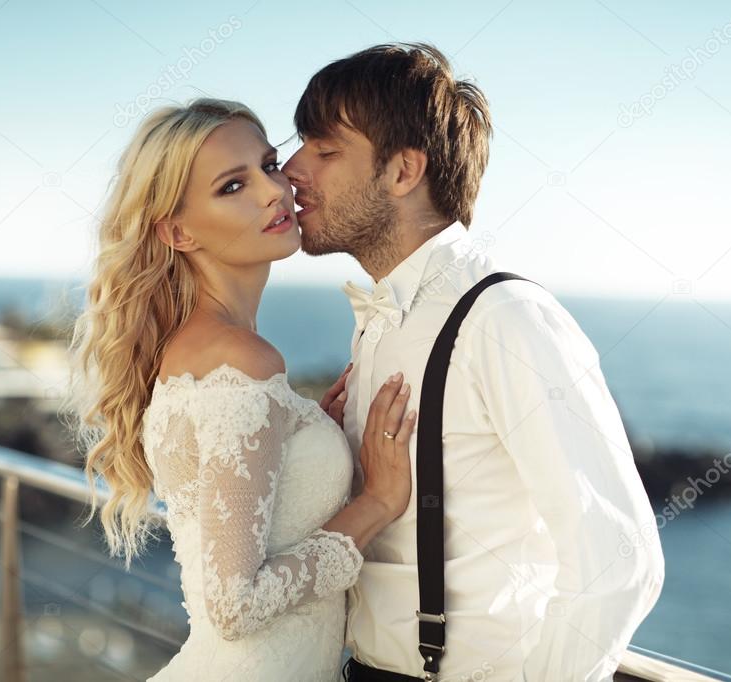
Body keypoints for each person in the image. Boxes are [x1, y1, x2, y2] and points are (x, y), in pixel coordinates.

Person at [281, 43, 666, 681]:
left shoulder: (504, 318)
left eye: (324, 151)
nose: (292, 169)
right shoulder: (381, 320)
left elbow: (618, 560)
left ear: (404, 172)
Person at [66, 97, 415, 680]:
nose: (274, 191)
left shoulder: (202, 350)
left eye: (270, 164)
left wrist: (308, 433)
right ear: (177, 231)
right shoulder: (239, 359)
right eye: (232, 186)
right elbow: (234, 605)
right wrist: (376, 504)